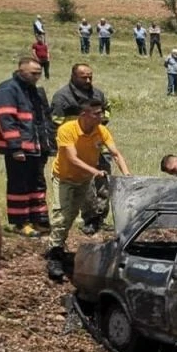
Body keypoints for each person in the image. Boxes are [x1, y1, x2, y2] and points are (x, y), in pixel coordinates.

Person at [45, 99, 130, 280]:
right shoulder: (67, 130)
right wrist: (95, 172)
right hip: (64, 179)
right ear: (84, 114)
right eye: (96, 113)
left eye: (101, 113)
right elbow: (73, 159)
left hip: (84, 180)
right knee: (61, 216)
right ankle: (54, 254)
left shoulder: (101, 130)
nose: (101, 116)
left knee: (72, 214)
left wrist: (127, 175)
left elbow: (116, 154)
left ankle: (59, 245)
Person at [0, 57, 53, 237]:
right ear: (21, 71)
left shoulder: (34, 91)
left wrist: (48, 145)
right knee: (19, 185)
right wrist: (15, 147)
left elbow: (43, 120)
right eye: (33, 73)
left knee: (37, 184)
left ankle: (38, 220)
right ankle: (20, 223)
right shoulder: (7, 90)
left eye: (39, 73)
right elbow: (7, 120)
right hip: (19, 148)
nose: (37, 76)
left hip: (36, 147)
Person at [50, 63, 110, 235]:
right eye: (84, 77)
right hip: (74, 149)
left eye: (90, 76)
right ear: (73, 76)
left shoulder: (98, 94)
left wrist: (99, 121)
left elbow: (107, 110)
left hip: (96, 145)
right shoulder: (62, 97)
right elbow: (55, 123)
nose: (88, 80)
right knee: (84, 185)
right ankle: (88, 218)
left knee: (103, 182)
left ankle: (99, 219)